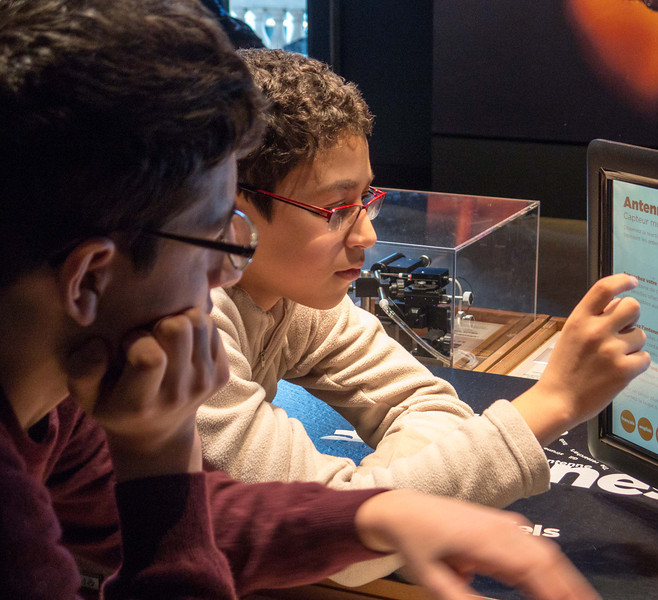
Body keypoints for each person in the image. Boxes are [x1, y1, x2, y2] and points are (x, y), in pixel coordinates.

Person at [0, 1, 608, 599]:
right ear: (87, 280)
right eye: (215, 232)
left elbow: (196, 520)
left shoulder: (59, 409)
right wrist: (158, 448)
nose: (224, 272)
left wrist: (374, 517)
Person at [200, 49, 650, 583]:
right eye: (337, 209)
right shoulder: (184, 326)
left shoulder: (290, 295)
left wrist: (378, 500)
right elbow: (333, 544)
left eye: (366, 198)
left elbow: (427, 406)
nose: (366, 233)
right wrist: (554, 403)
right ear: (231, 217)